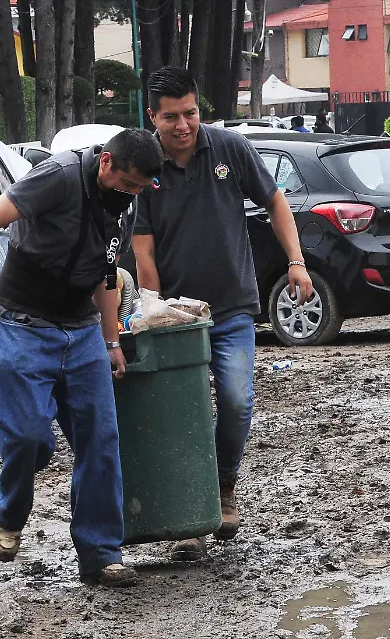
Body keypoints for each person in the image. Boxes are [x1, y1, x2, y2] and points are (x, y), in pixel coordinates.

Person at [0, 129, 164, 588]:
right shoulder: (57, 176)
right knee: (31, 439)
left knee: (100, 439)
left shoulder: (125, 203)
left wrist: (111, 340)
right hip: (21, 322)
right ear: (105, 162)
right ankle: (10, 514)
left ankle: (99, 554)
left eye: (139, 189)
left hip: (80, 330)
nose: (131, 195)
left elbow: (106, 273)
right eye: (127, 184)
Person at [133, 66, 314, 562]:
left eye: (190, 113)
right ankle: (189, 515)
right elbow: (143, 250)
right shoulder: (145, 165)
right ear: (153, 117)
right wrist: (153, 310)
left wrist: (296, 263)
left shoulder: (230, 148)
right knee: (181, 418)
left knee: (235, 400)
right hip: (176, 319)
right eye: (171, 117)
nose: (183, 125)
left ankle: (223, 487)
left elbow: (276, 202)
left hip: (232, 306)